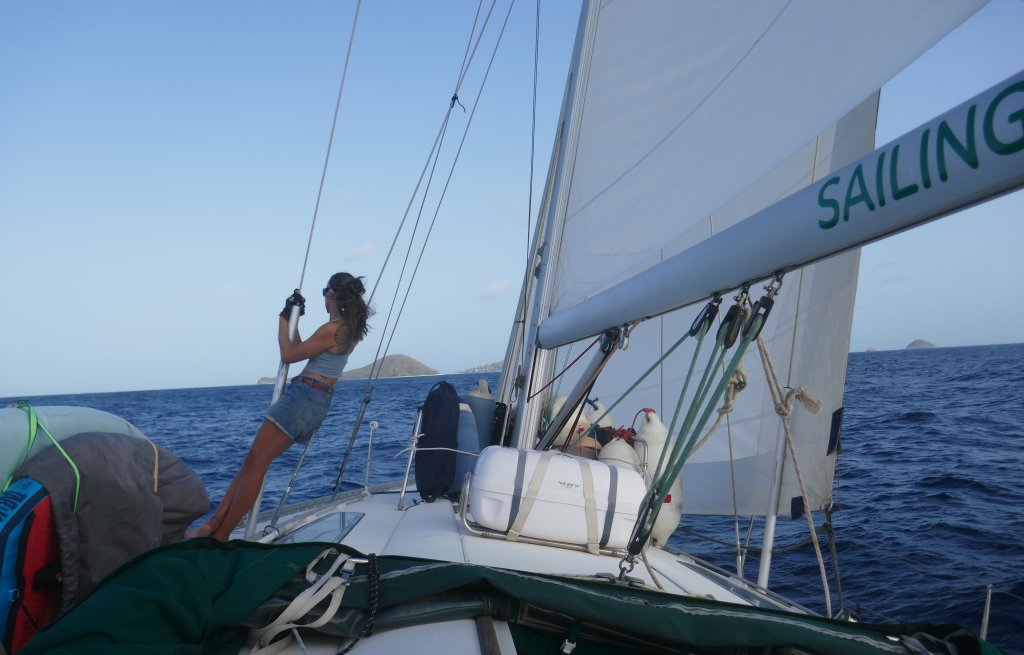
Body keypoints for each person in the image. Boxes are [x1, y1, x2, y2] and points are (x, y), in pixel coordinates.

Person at [187, 272, 371, 540]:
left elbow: (288, 354)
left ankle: (221, 535)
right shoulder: (346, 330)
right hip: (315, 401)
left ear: (332, 294)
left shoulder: (332, 329)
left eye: (324, 292)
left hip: (303, 396)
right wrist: (293, 320)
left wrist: (282, 318)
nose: (324, 297)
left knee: (256, 463)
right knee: (253, 462)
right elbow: (300, 347)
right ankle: (213, 526)